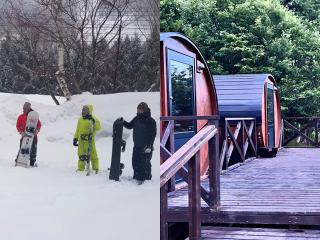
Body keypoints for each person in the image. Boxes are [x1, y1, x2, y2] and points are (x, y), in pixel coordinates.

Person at [123, 102, 157, 183]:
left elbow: (152, 135)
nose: (138, 111)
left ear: (145, 110)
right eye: (138, 109)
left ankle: (146, 178)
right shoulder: (136, 118)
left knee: (145, 163)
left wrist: (149, 146)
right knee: (135, 162)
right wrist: (123, 122)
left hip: (146, 147)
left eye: (140, 109)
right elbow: (129, 126)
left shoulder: (150, 121)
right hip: (137, 145)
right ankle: (137, 176)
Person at [73, 105, 101, 173]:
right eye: (83, 109)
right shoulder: (80, 119)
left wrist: (93, 120)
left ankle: (95, 168)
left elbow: (98, 128)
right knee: (81, 154)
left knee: (93, 154)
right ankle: (81, 168)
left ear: (89, 111)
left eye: (85, 110)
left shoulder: (93, 119)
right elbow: (77, 130)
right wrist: (75, 138)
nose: (83, 111)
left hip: (89, 140)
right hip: (81, 141)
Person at [16, 102, 41, 167]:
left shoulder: (34, 116)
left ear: (29, 108)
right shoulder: (21, 117)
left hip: (33, 137)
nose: (23, 109)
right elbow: (18, 126)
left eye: (25, 108)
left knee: (33, 150)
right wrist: (21, 132)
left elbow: (39, 124)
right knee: (22, 148)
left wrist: (37, 130)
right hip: (24, 135)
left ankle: (32, 162)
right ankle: (18, 160)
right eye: (23, 108)